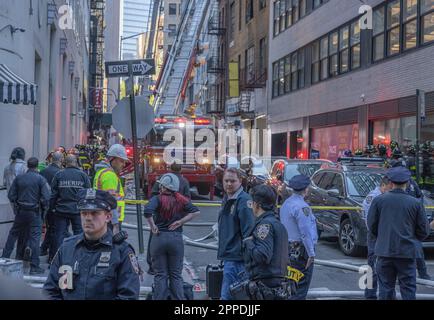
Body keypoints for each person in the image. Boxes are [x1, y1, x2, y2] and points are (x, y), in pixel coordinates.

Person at [43, 189, 140, 300]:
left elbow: (128, 296)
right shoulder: (67, 248)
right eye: (84, 213)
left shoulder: (122, 252)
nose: (88, 218)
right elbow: (50, 291)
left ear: (108, 217)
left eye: (95, 213)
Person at [367, 166, 429, 300]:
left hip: (384, 252)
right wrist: (412, 238)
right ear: (407, 183)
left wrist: (383, 237)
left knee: (386, 289)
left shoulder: (379, 200)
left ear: (390, 182)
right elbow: (423, 231)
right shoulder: (416, 203)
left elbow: (371, 226)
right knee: (408, 290)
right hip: (407, 253)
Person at [144, 173, 200, 300]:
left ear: (163, 187)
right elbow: (196, 211)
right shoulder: (181, 199)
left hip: (159, 238)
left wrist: (153, 225)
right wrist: (181, 222)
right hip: (176, 238)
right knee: (176, 275)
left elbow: (147, 211)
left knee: (160, 274)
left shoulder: (157, 199)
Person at [232, 185, 290, 300]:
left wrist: (249, 243)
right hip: (277, 285)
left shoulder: (264, 225)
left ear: (257, 205)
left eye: (252, 203)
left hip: (265, 287)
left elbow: (262, 256)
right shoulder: (279, 224)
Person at [4, 157, 50, 274]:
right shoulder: (40, 179)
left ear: (28, 166)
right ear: (36, 166)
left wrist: (17, 205)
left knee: (13, 234)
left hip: (21, 212)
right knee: (35, 238)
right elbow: (46, 197)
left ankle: (5, 258)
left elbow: (11, 195)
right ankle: (34, 266)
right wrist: (43, 209)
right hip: (34, 212)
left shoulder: (19, 178)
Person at [217, 168, 255, 300]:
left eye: (232, 181)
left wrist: (246, 258)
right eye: (226, 180)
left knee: (228, 298)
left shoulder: (244, 201)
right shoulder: (228, 198)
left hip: (238, 260)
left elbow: (249, 232)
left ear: (240, 181)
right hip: (230, 257)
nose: (228, 184)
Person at [147, 161, 191, 274]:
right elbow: (188, 200)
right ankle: (173, 268)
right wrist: (182, 219)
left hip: (159, 218)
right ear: (181, 169)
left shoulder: (163, 178)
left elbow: (153, 195)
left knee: (154, 239)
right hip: (176, 219)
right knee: (175, 247)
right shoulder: (184, 181)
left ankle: (153, 267)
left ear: (170, 168)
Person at [280, 175, 318, 300]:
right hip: (301, 252)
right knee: (300, 289)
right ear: (306, 189)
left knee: (289, 287)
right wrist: (311, 254)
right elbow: (306, 233)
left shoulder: (286, 203)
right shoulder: (302, 207)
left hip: (287, 250)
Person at [49, 155, 91, 263]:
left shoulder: (59, 174)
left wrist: (52, 208)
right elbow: (89, 193)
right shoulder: (83, 175)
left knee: (59, 235)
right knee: (79, 235)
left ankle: (54, 260)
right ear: (76, 162)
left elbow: (53, 194)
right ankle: (78, 259)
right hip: (78, 210)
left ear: (65, 163)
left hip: (61, 210)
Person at [362, 176, 392, 300]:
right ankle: (369, 294)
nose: (390, 191)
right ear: (383, 185)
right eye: (389, 188)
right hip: (375, 235)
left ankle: (372, 293)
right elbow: (369, 220)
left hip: (378, 234)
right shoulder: (375, 197)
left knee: (375, 266)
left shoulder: (379, 196)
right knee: (372, 266)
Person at [93, 144, 129, 234]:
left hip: (104, 218)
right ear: (112, 159)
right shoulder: (109, 175)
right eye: (121, 161)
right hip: (110, 221)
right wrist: (115, 224)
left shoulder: (102, 172)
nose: (124, 165)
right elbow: (111, 201)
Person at [39, 152, 63, 258]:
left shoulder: (43, 171)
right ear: (61, 160)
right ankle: (49, 252)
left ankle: (43, 248)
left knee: (49, 227)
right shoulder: (60, 173)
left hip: (43, 203)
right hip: (55, 204)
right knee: (54, 229)